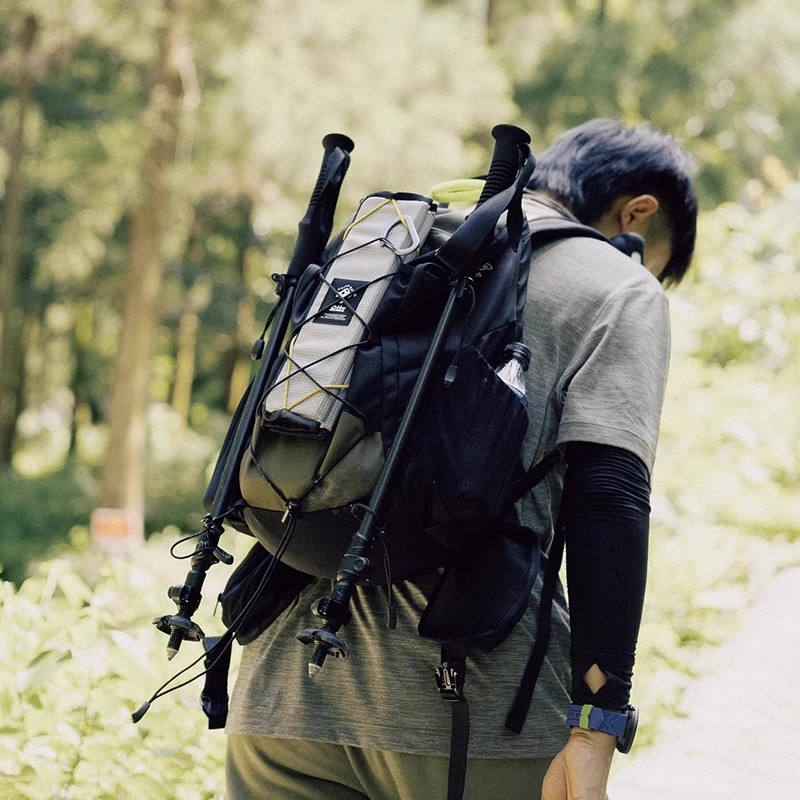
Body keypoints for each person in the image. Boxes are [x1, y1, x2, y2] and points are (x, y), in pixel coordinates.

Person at [223, 118, 698, 800]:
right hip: (470, 712)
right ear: (638, 214)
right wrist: (598, 725)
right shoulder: (618, 288)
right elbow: (610, 504)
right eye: (654, 257)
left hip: (280, 696)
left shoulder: (389, 244)